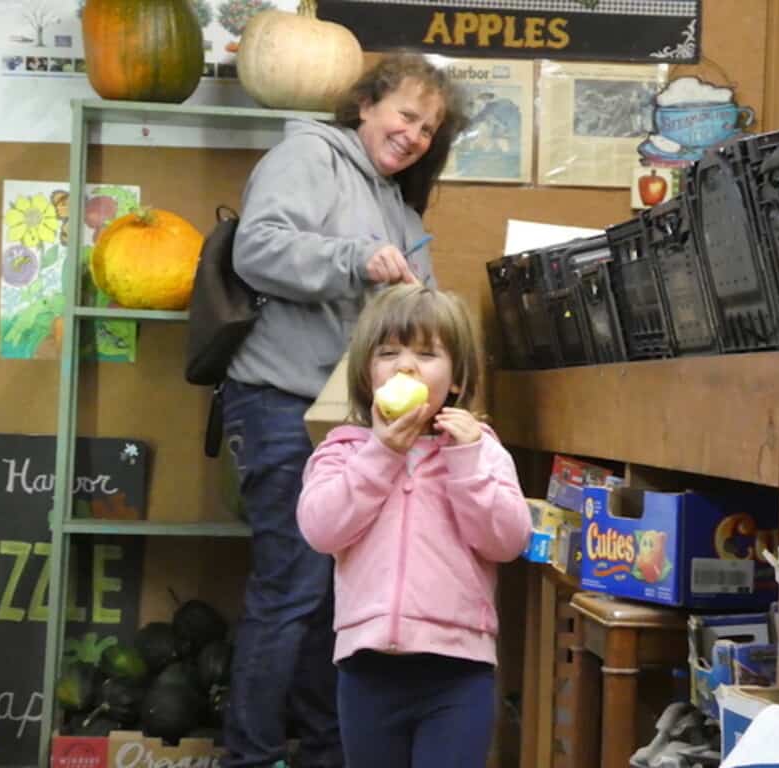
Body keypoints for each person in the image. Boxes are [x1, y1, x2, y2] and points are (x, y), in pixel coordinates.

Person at [222, 54, 468, 768]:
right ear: (364, 105)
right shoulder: (309, 156)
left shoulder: (396, 201)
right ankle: (250, 756)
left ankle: (325, 754)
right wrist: (356, 260)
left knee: (332, 596)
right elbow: (256, 249)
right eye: (405, 115)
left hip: (348, 423)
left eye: (429, 128)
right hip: (278, 403)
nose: (414, 134)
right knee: (291, 589)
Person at [297, 284, 532, 768]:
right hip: (367, 671)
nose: (405, 366)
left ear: (458, 381)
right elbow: (321, 529)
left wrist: (465, 463)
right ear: (366, 375)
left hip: (459, 672)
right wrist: (381, 454)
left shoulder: (480, 450)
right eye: (389, 353)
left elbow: (508, 541)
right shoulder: (344, 450)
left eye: (426, 354)